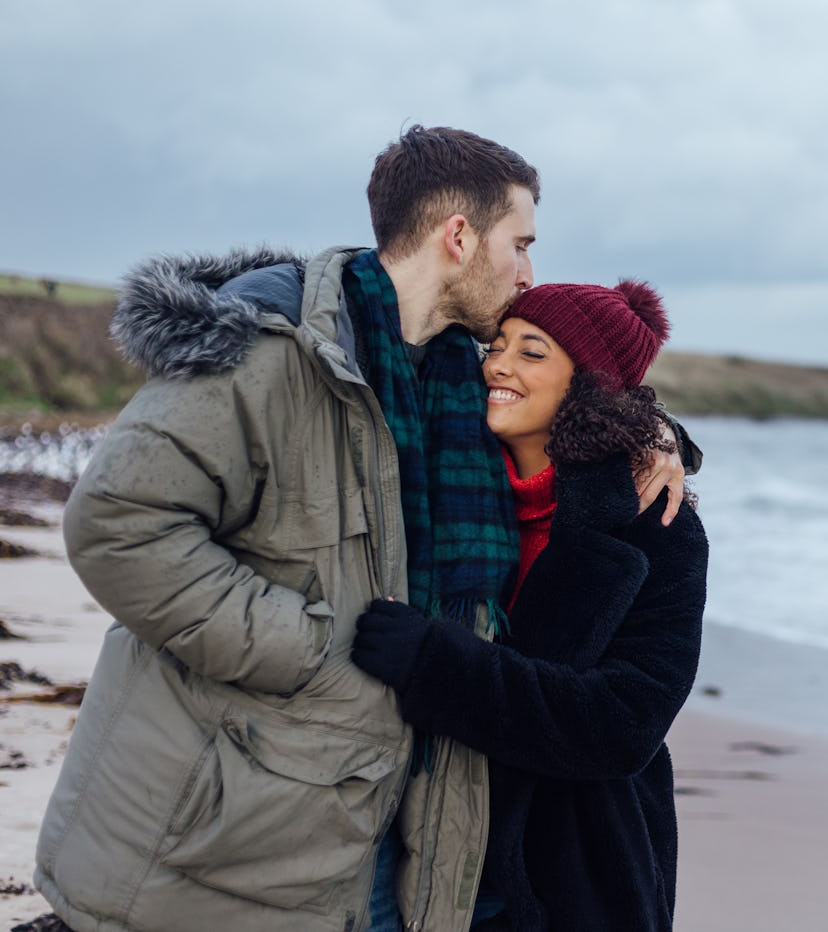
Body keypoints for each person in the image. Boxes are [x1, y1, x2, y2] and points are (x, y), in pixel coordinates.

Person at [23, 126, 692, 932]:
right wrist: (319, 649)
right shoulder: (270, 357)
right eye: (520, 244)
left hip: (394, 837)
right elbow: (117, 525)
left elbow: (578, 407)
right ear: (458, 237)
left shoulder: (456, 383)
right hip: (225, 829)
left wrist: (659, 439)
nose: (527, 273)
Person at [352, 280, 709, 931]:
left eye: (532, 351)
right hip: (412, 832)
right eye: (498, 344)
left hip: (567, 861)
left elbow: (623, 722)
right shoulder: (448, 469)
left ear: (589, 385)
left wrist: (437, 666)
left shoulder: (655, 518)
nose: (498, 364)